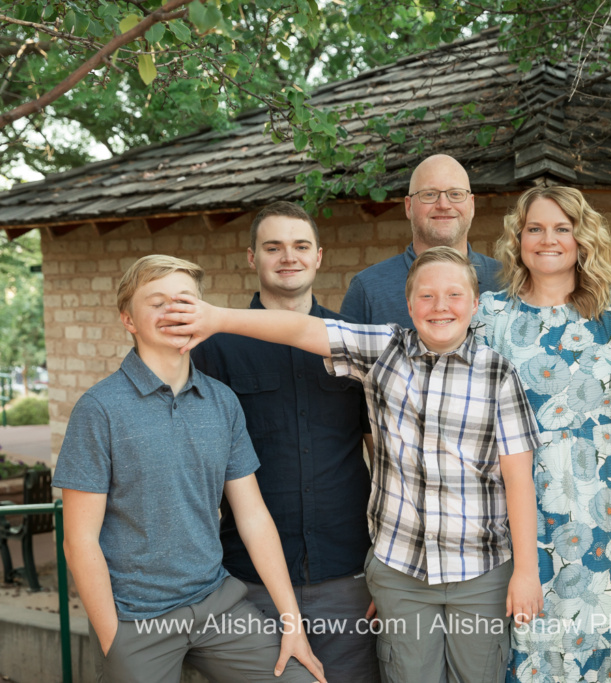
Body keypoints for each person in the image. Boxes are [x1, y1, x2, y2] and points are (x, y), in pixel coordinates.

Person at [161, 246, 543, 683]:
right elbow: (300, 329)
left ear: (475, 304)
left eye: (455, 295)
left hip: (481, 572)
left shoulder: (499, 375)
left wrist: (526, 572)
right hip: (402, 573)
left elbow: (518, 480)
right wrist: (218, 319)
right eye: (427, 296)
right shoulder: (384, 350)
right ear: (408, 303)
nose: (440, 307)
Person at [54, 255, 325, 683]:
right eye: (157, 302)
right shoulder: (99, 409)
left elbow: (253, 516)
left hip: (216, 602)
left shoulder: (222, 401)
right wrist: (114, 641)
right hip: (137, 617)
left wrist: (292, 621)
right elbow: (79, 540)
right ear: (128, 319)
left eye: (184, 300)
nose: (173, 311)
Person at [190, 202, 378, 683]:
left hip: (347, 571)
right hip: (249, 580)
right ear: (252, 258)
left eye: (299, 246)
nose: (287, 257)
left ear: (319, 257)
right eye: (273, 247)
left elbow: (380, 452)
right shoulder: (215, 347)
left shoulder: (352, 341)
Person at [472, 186, 611, 682]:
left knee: (601, 656)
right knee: (529, 656)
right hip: (520, 523)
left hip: (606, 520)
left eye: (562, 228)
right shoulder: (490, 317)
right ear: (518, 239)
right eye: (535, 229)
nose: (548, 240)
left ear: (582, 239)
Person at [340, 154, 501, 326]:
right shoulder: (368, 290)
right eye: (429, 194)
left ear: (472, 205)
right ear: (408, 207)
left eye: (455, 194)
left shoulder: (507, 280)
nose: (444, 205)